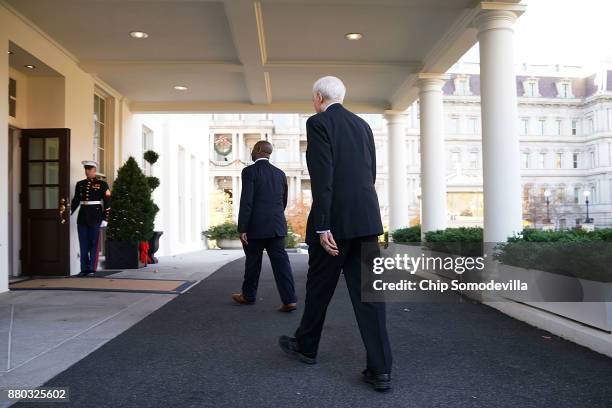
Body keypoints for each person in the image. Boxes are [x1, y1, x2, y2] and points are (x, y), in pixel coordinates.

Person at [278, 76, 392, 391]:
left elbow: (322, 174)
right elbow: (370, 173)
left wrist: (324, 224)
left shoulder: (318, 123)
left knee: (319, 288)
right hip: (366, 220)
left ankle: (306, 347)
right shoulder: (363, 126)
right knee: (370, 296)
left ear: (318, 97)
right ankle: (380, 369)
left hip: (335, 224)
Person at [233, 141, 297, 312]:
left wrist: (242, 228)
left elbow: (247, 201)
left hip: (255, 227)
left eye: (252, 150)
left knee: (253, 263)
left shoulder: (249, 171)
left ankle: (248, 296)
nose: (251, 153)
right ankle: (289, 300)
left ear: (257, 151)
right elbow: (283, 201)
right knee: (281, 264)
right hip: (276, 226)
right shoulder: (280, 174)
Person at [71, 161, 111, 277]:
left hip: (96, 216)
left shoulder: (102, 184)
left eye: (89, 169)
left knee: (93, 243)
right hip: (82, 216)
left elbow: (108, 201)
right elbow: (76, 200)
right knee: (83, 244)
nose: (87, 171)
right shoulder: (80, 184)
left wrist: (105, 218)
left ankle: (92, 269)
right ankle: (84, 268)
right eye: (86, 169)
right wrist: (69, 212)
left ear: (94, 170)